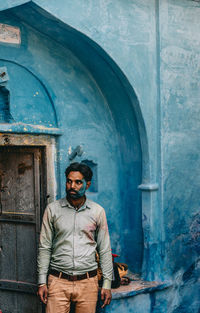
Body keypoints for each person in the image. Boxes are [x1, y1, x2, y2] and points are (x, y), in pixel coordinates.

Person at [37, 162, 113, 313]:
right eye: (69, 181)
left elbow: (104, 249)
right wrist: (41, 282)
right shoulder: (52, 210)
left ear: (88, 184)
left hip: (88, 283)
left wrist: (107, 284)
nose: (72, 186)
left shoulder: (97, 212)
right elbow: (44, 247)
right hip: (57, 281)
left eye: (78, 182)